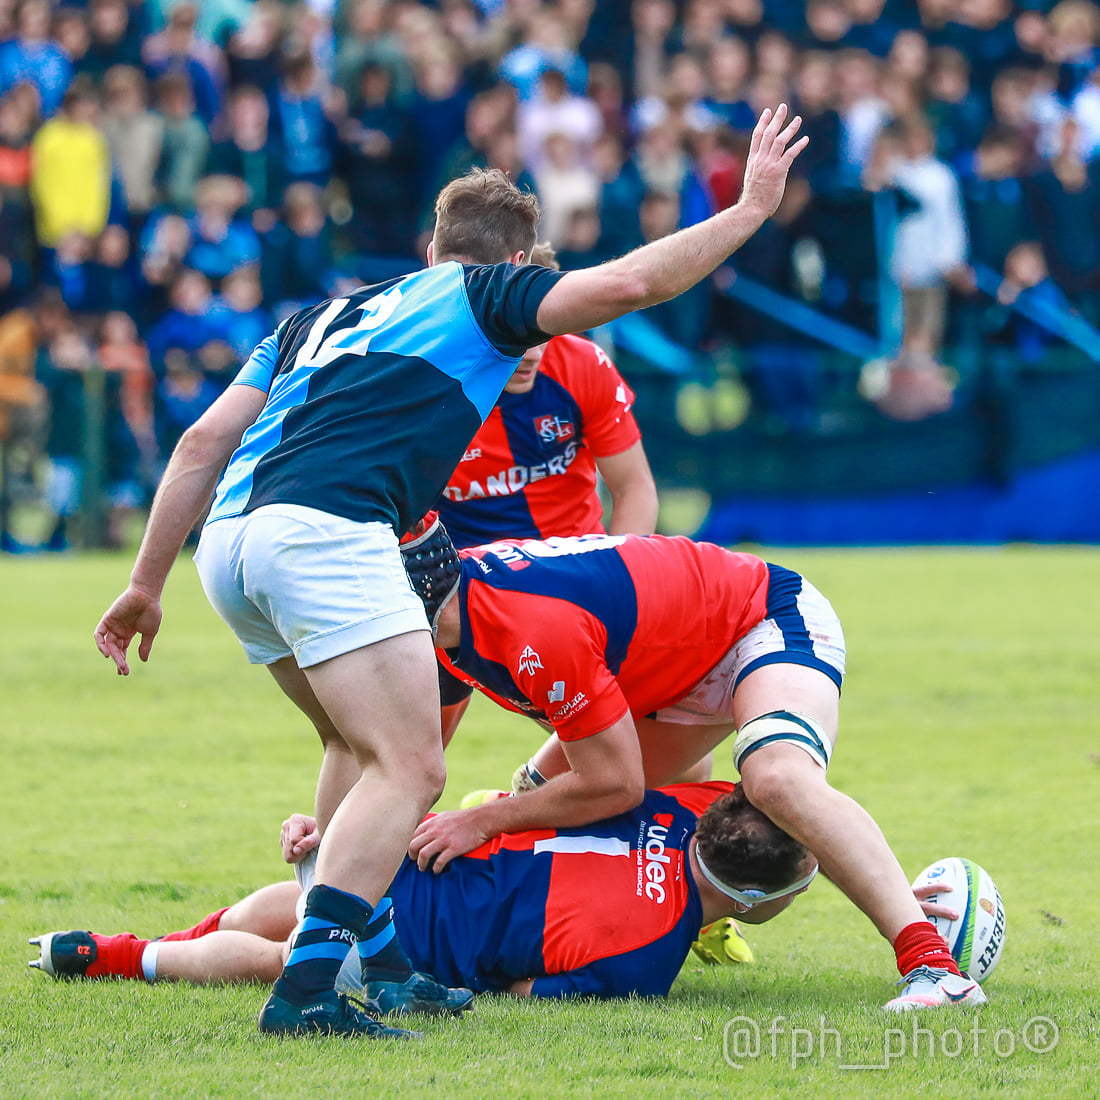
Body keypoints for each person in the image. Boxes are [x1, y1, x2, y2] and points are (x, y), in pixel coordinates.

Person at [93, 105, 809, 1040]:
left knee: (353, 751)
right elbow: (632, 280)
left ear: (430, 242)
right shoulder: (487, 298)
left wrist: (147, 582)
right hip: (327, 537)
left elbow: (200, 440)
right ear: (518, 264)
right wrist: (750, 209)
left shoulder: (321, 313)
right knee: (412, 769)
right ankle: (307, 992)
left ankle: (387, 967)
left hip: (228, 545)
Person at [397, 518, 987, 1012]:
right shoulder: (454, 624)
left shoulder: (527, 630)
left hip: (758, 620)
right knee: (536, 796)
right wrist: (351, 834)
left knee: (775, 777)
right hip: (669, 670)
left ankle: (933, 966)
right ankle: (690, 907)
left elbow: (616, 784)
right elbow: (406, 766)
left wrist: (480, 823)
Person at [30, 782, 821, 1000]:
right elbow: (523, 989)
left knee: (299, 898)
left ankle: (178, 932)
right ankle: (116, 957)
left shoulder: (691, 800)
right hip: (425, 941)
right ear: (751, 902)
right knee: (278, 960)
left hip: (405, 842)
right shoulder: (646, 964)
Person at [437, 243, 658, 551]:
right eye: (515, 334)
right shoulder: (433, 384)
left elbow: (634, 488)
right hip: (472, 579)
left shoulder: (583, 365)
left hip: (575, 567)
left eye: (542, 332)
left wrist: (623, 576)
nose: (532, 355)